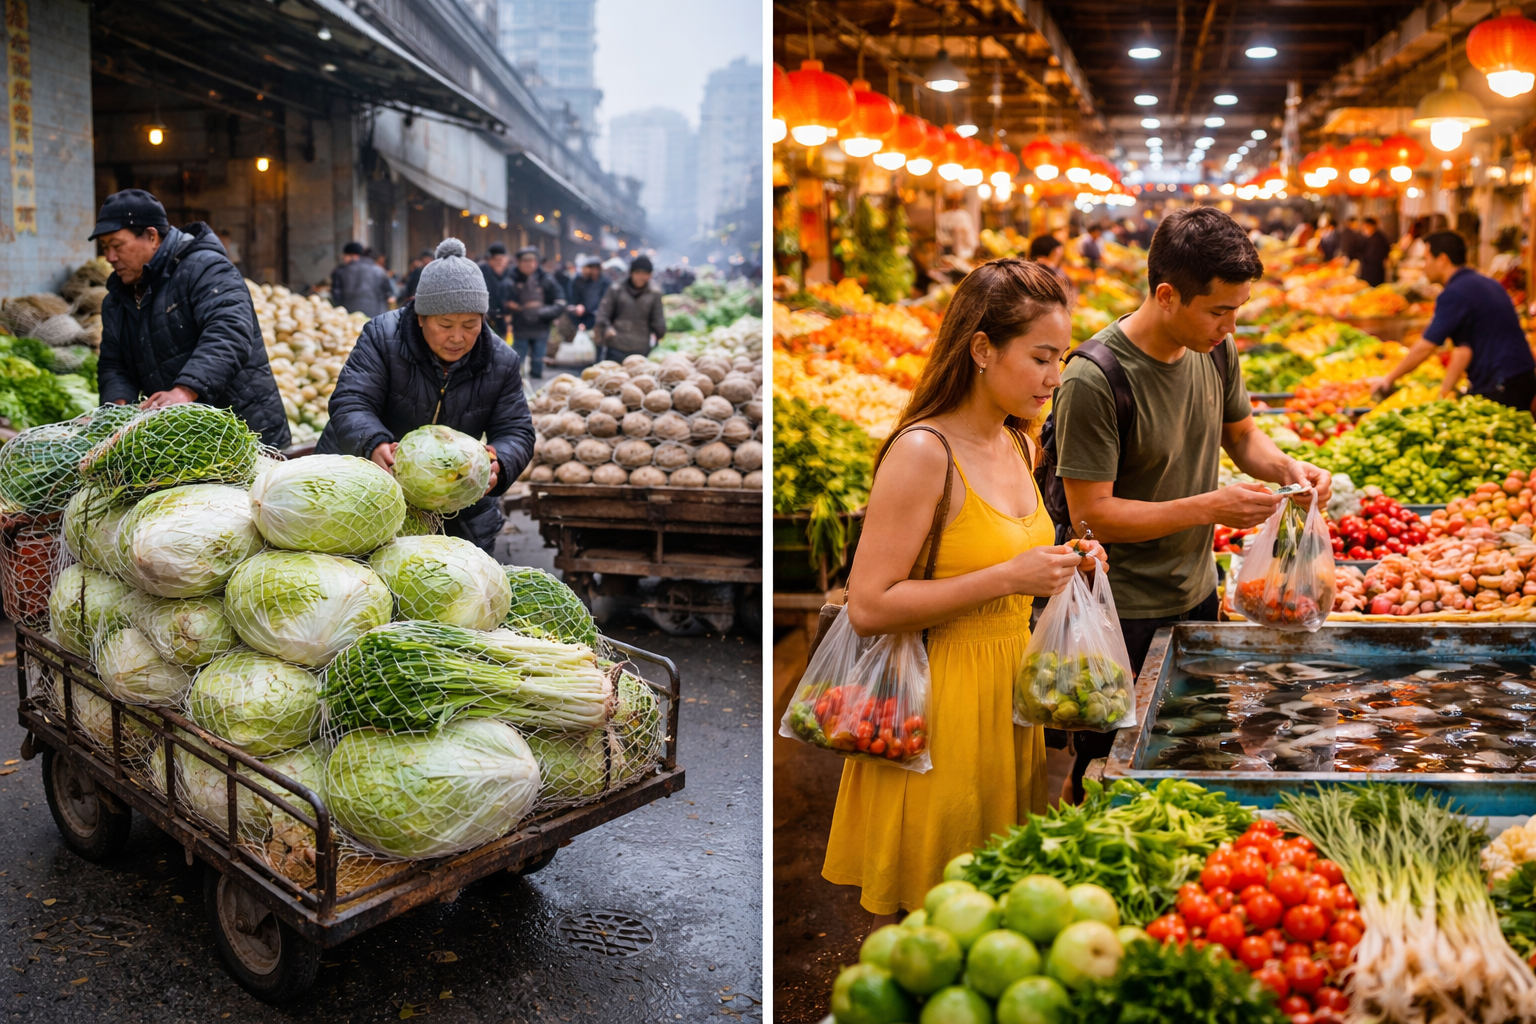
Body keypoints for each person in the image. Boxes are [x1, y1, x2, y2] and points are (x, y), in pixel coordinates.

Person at [823, 258, 1105, 917]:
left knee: (999, 914)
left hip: (1009, 700)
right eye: (1040, 357)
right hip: (937, 705)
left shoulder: (1019, 446)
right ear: (982, 348)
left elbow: (999, 556)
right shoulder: (923, 454)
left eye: (1059, 357)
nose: (1053, 378)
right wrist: (1009, 577)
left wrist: (1067, 563)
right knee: (932, 918)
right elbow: (868, 606)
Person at [1052, 207, 1332, 801]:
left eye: (1238, 310)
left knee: (1194, 755)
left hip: (1197, 596)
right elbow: (1091, 517)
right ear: (1167, 295)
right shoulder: (1093, 380)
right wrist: (1209, 507)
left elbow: (1242, 435)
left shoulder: (1214, 349)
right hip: (1117, 614)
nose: (1230, 325)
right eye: (1218, 310)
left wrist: (1288, 469)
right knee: (1110, 777)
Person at [317, 238, 535, 553]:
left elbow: (517, 431)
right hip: (364, 477)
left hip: (449, 495)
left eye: (470, 325)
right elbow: (352, 401)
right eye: (445, 324)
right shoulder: (381, 337)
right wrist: (372, 443)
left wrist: (501, 461)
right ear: (421, 317)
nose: (458, 337)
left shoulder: (501, 360)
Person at [92, 188, 290, 448]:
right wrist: (117, 407)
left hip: (247, 430)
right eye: (105, 247)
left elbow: (228, 333)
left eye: (117, 246)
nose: (110, 257)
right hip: (183, 441)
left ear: (152, 236)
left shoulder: (206, 269)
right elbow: (113, 364)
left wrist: (184, 391)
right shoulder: (116, 300)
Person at [1372, 231, 1536, 413]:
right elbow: (1464, 349)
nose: (1423, 267)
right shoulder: (1483, 283)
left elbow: (1426, 346)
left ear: (1442, 260)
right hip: (1521, 376)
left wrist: (1388, 379)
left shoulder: (1456, 293)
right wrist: (1444, 393)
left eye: (1426, 259)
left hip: (1502, 381)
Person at [504, 247, 565, 379]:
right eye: (525, 261)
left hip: (541, 328)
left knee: (538, 362)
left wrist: (544, 313)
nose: (530, 264)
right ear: (518, 262)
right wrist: (509, 306)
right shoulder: (510, 280)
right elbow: (501, 300)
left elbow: (560, 301)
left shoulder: (546, 279)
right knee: (517, 365)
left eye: (533, 261)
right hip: (519, 328)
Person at [594, 255, 666, 364]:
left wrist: (660, 331)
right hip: (616, 345)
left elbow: (658, 318)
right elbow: (603, 313)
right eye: (638, 273)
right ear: (631, 273)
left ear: (650, 275)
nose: (641, 277)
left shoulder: (654, 293)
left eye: (646, 274)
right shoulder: (616, 289)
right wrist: (607, 329)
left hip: (641, 348)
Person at [330, 241, 394, 319]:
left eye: (345, 256)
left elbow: (336, 294)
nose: (344, 259)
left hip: (349, 316)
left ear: (354, 256)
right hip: (375, 315)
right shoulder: (379, 271)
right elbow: (389, 295)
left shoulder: (340, 271)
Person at [566, 256, 610, 335]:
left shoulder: (605, 282)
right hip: (583, 315)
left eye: (596, 268)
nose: (594, 271)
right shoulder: (580, 281)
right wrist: (578, 306)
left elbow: (606, 299)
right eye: (591, 268)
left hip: (599, 316)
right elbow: (573, 297)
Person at [478, 242, 512, 341]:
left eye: (502, 259)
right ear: (489, 260)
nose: (499, 262)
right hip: (486, 318)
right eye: (496, 259)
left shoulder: (509, 273)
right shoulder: (480, 272)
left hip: (504, 320)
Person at [935, 194, 978, 262]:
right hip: (954, 247)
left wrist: (961, 229)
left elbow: (968, 229)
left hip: (965, 248)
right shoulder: (948, 215)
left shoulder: (963, 215)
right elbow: (945, 227)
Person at [1356, 217, 1390, 287]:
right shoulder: (1379, 235)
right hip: (1377, 269)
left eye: (1365, 226)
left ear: (1369, 226)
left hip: (1373, 271)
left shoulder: (1375, 239)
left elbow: (1371, 256)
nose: (1363, 228)